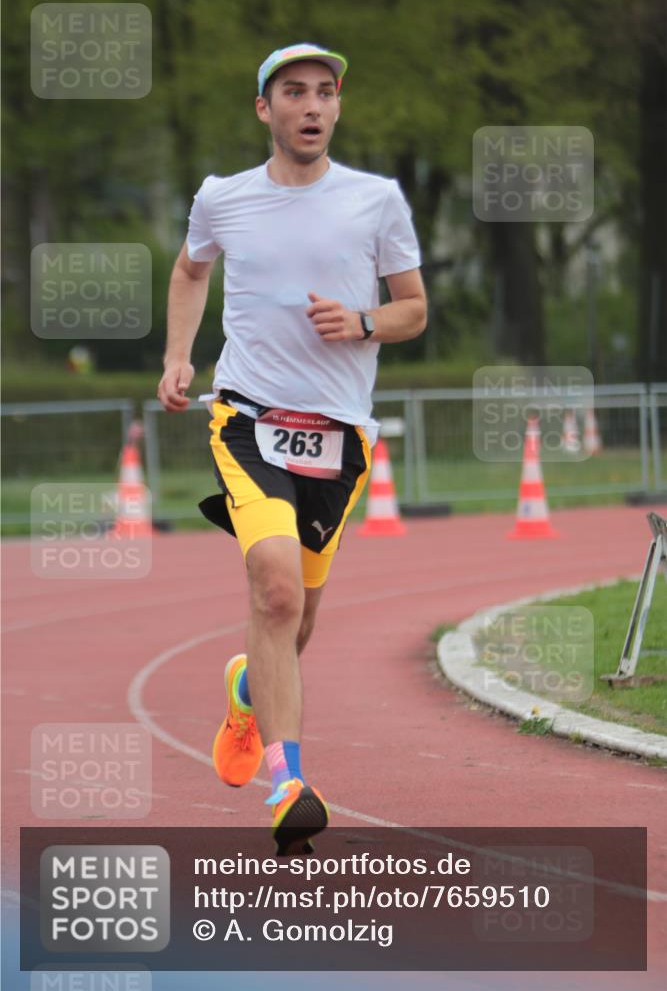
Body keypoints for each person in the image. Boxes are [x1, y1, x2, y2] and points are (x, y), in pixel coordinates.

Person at [157, 42, 426, 854]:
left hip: (339, 436)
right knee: (273, 592)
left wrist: (365, 321)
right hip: (246, 418)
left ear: (337, 107)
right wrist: (178, 354)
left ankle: (247, 691)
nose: (310, 106)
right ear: (264, 109)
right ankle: (288, 783)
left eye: (323, 92)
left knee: (297, 617)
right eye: (292, 92)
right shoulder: (223, 198)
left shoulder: (376, 201)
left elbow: (412, 309)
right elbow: (189, 268)